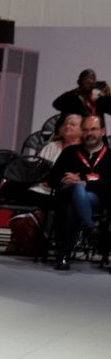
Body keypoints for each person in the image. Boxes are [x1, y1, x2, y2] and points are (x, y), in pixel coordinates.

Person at [46, 113, 110, 269]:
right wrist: (66, 179)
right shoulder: (70, 152)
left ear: (103, 131)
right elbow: (52, 178)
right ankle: (89, 228)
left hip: (99, 200)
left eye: (94, 129)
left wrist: (84, 179)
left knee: (76, 196)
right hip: (66, 196)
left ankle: (64, 256)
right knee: (74, 193)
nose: (89, 133)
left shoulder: (110, 155)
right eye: (86, 129)